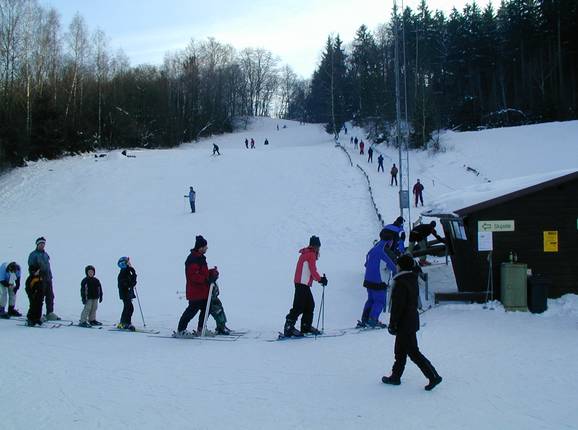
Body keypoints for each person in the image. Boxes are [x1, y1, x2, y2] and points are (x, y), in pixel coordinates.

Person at [382, 255, 442, 391]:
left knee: (413, 352)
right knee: (400, 351)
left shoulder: (401, 282)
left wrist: (393, 324)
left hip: (404, 323)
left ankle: (433, 376)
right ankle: (395, 376)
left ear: (401, 266)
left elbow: (398, 306)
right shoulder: (411, 278)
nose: (396, 266)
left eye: (398, 264)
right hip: (410, 320)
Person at [283, 236, 328, 337]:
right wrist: (321, 279)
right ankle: (289, 327)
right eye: (318, 246)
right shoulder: (311, 254)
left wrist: (319, 279)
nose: (318, 249)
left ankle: (306, 326)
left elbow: (310, 271)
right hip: (302, 284)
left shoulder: (306, 253)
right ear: (315, 246)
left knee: (309, 305)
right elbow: (313, 271)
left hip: (302, 283)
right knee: (299, 307)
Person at [176, 235, 219, 336]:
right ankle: (181, 330)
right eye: (205, 246)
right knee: (191, 311)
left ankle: (201, 329)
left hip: (203, 291)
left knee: (206, 309)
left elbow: (202, 273)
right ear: (200, 247)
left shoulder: (200, 258)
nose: (207, 248)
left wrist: (212, 272)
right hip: (195, 291)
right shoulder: (192, 259)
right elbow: (193, 276)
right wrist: (207, 279)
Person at [357, 238, 397, 328]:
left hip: (368, 280)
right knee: (379, 301)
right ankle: (373, 319)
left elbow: (366, 264)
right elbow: (393, 267)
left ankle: (365, 318)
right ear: (389, 242)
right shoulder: (385, 252)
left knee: (371, 300)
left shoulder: (372, 250)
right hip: (379, 281)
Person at [28, 237, 59, 320]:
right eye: (41, 244)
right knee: (39, 297)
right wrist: (35, 274)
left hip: (48, 278)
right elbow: (31, 268)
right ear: (37, 244)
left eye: (43, 244)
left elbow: (48, 266)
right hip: (39, 279)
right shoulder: (33, 255)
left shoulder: (45, 254)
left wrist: (50, 276)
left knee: (50, 296)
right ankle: (38, 314)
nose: (42, 245)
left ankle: (49, 313)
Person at [117, 256, 137, 330]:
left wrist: (133, 271)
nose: (129, 264)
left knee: (129, 308)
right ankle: (124, 323)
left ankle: (127, 322)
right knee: (128, 307)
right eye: (128, 262)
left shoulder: (128, 271)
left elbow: (133, 280)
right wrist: (130, 284)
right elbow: (126, 283)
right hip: (125, 293)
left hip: (128, 293)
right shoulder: (123, 272)